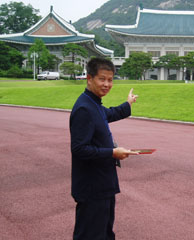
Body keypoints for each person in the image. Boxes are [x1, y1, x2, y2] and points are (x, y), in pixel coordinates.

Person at [69, 58, 138, 240]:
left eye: (110, 79)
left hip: (102, 183)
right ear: (89, 79)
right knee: (90, 235)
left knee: (105, 233)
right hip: (92, 187)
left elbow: (109, 114)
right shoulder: (84, 108)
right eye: (102, 79)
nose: (107, 84)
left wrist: (128, 104)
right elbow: (79, 149)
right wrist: (113, 153)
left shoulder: (94, 104)